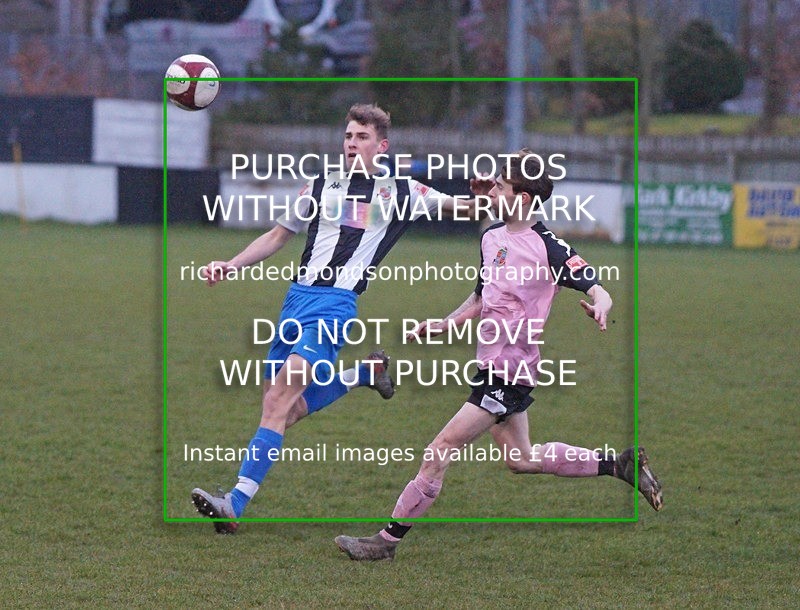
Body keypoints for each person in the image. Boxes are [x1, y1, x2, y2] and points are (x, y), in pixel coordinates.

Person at [334, 149, 663, 561]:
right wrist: (445, 322)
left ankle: (386, 541)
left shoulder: (548, 247)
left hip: (510, 372)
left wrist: (602, 303)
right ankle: (619, 466)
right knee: (521, 460)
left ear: (523, 197)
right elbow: (482, 296)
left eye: (501, 187)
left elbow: (596, 285)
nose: (492, 192)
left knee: (440, 450)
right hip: (489, 364)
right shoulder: (492, 237)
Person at [191, 103, 488, 533]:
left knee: (277, 401)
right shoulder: (319, 185)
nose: (352, 144)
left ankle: (234, 503)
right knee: (284, 411)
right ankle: (363, 374)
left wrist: (481, 196)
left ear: (381, 147)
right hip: (295, 302)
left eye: (362, 137)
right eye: (348, 136)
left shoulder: (404, 192)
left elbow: (461, 209)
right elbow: (278, 235)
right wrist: (230, 264)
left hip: (335, 305)